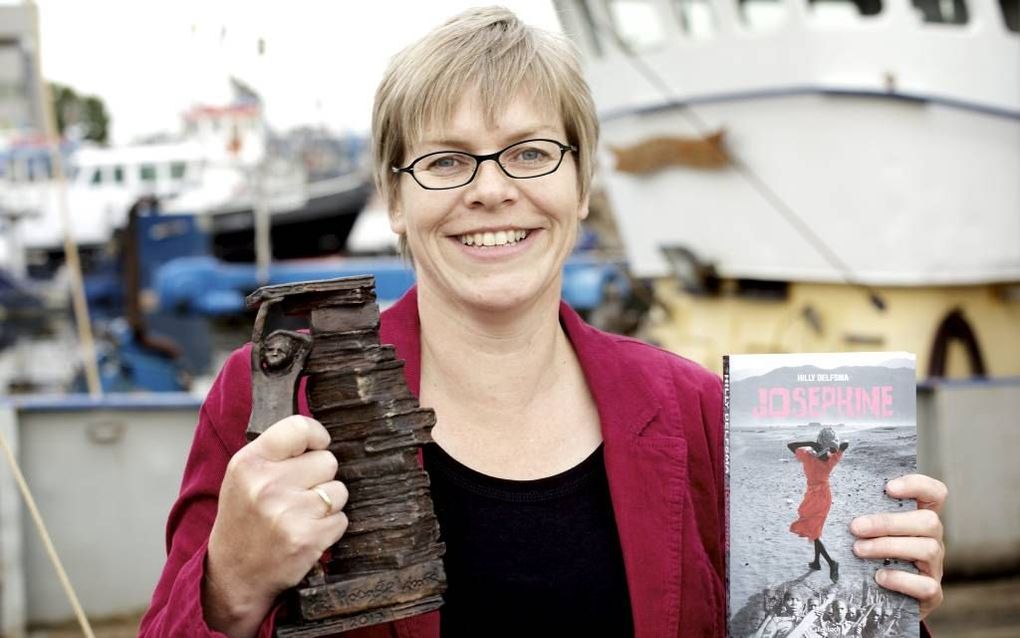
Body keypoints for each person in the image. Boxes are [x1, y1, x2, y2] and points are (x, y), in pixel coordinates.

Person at [140, 7, 947, 637]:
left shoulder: (706, 416)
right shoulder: (282, 402)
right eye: (446, 159)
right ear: (394, 198)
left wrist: (883, 597)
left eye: (530, 152)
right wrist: (231, 585)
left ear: (583, 183)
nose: (492, 190)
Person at [788, 426, 850, 583]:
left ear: (818, 444)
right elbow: (842, 447)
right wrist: (838, 448)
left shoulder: (808, 456)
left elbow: (791, 446)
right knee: (815, 529)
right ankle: (816, 562)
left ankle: (831, 563)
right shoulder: (832, 459)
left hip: (814, 497)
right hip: (824, 496)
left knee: (814, 532)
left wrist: (812, 444)